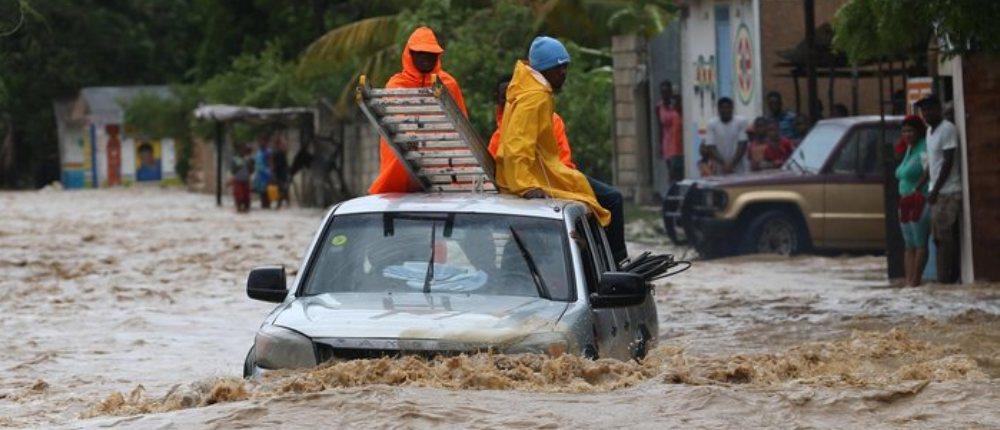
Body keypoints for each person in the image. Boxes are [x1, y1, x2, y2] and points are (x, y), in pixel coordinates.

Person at [493, 36, 617, 260]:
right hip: (538, 177)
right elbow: (517, 144)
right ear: (546, 69)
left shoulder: (529, 92)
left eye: (565, 68)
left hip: (543, 171)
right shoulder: (535, 97)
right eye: (559, 68)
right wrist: (527, 186)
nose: (564, 74)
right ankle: (617, 263)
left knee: (592, 197)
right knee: (612, 199)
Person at [368, 26, 467, 194]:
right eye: (420, 53)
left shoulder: (449, 84)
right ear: (410, 54)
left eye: (431, 54)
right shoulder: (396, 85)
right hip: (401, 166)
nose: (426, 58)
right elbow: (397, 126)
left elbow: (462, 125)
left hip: (441, 163)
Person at [917, 95, 962, 284]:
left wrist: (935, 189)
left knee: (945, 239)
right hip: (936, 192)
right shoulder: (929, 132)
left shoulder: (947, 129)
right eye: (923, 110)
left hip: (948, 193)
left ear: (938, 108)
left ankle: (947, 280)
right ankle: (945, 279)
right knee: (938, 239)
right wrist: (923, 181)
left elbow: (948, 161)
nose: (926, 114)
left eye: (929, 109)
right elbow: (932, 162)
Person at [894, 115, 930, 287]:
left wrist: (918, 188)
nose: (906, 134)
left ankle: (916, 280)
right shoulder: (909, 149)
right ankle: (909, 283)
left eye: (910, 131)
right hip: (905, 202)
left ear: (918, 131)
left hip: (919, 201)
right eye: (904, 131)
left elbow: (929, 169)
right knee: (909, 245)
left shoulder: (923, 147)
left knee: (920, 243)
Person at [705, 97, 749, 175]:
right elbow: (711, 146)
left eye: (728, 107)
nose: (725, 110)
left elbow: (742, 144)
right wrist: (724, 164)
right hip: (720, 168)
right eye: (722, 108)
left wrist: (732, 164)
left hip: (739, 167)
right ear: (718, 109)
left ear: (732, 108)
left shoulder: (741, 121)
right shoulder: (712, 124)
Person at [657, 80, 683, 182]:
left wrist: (677, 102)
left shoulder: (677, 104)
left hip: (678, 142)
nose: (665, 94)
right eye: (663, 92)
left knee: (676, 173)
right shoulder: (659, 107)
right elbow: (659, 126)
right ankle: (673, 193)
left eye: (667, 92)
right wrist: (660, 145)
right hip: (667, 143)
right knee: (671, 172)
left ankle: (674, 193)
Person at [229, 143, 253, 213]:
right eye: (241, 149)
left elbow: (251, 169)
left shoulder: (248, 159)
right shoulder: (235, 159)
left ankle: (244, 208)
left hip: (245, 180)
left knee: (246, 198)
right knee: (239, 197)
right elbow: (232, 170)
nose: (242, 151)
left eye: (244, 150)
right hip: (238, 181)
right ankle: (239, 207)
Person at [253, 136, 273, 209]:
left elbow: (270, 162)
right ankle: (264, 205)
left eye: (263, 141)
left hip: (266, 174)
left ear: (266, 142)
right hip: (259, 174)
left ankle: (267, 205)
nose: (261, 143)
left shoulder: (268, 151)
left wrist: (271, 172)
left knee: (266, 191)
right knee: (261, 191)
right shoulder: (259, 152)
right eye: (260, 141)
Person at [272, 136, 290, 209]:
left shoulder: (280, 153)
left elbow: (284, 164)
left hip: (282, 173)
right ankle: (282, 204)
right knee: (282, 189)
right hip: (280, 173)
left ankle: (281, 204)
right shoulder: (277, 153)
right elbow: (277, 164)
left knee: (283, 189)